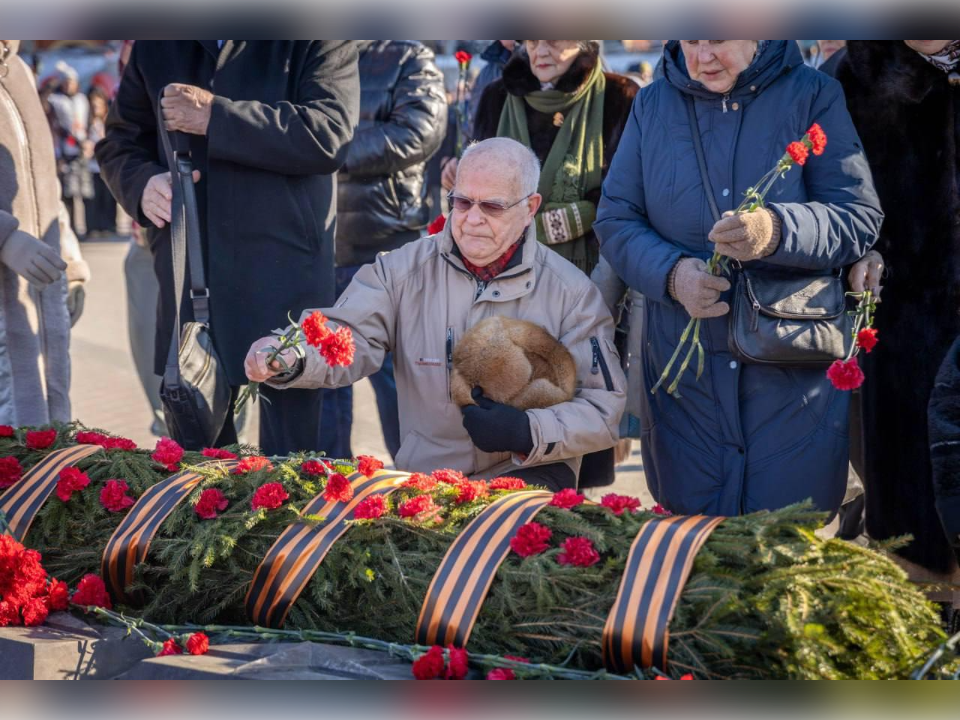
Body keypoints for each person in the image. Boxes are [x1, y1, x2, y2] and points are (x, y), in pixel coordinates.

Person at [595, 40, 882, 517]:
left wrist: (777, 230)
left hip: (788, 369)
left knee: (786, 548)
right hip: (684, 370)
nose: (702, 57)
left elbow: (857, 216)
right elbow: (616, 220)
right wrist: (672, 275)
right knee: (692, 548)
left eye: (718, 41)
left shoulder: (813, 94)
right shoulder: (653, 102)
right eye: (691, 41)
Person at [245, 138, 625, 489]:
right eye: (462, 202)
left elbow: (603, 409)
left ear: (530, 208)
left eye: (492, 206)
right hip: (428, 480)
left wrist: (528, 430)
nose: (472, 218)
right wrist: (292, 355)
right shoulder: (401, 270)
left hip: (528, 475)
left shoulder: (572, 293)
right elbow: (349, 334)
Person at [96, 41, 360, 455]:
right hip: (190, 271)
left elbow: (328, 133)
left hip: (283, 273)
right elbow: (119, 142)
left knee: (291, 463)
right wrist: (141, 183)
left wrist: (214, 117)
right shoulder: (157, 42)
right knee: (200, 466)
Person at [835, 41, 960, 579]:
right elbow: (830, 193)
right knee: (911, 500)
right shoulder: (850, 73)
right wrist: (858, 247)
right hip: (901, 318)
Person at [320, 40, 447, 461]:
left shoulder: (408, 56)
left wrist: (323, 150)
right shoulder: (310, 51)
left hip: (386, 243)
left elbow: (421, 130)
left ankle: (419, 486)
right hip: (319, 243)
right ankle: (327, 486)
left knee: (399, 380)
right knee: (325, 376)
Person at [448, 40, 638, 277]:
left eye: (554, 41)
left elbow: (630, 193)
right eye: (533, 41)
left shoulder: (619, 96)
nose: (541, 52)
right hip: (502, 266)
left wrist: (580, 216)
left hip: (592, 269)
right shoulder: (495, 97)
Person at [0, 40, 89, 426]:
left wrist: (71, 264)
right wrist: (4, 237)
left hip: (40, 291)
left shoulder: (17, 71)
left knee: (45, 434)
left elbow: (44, 183)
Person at [48, 61, 92, 237]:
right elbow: (58, 125)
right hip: (66, 150)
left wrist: (87, 141)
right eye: (65, 82)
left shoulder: (82, 100)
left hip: (83, 151)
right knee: (68, 193)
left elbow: (86, 121)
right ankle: (71, 229)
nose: (69, 85)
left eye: (71, 81)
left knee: (85, 191)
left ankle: (87, 227)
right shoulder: (56, 100)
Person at [84, 87, 116, 236]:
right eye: (93, 105)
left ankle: (109, 227)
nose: (96, 108)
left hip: (108, 166)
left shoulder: (109, 122)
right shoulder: (88, 123)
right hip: (92, 166)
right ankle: (93, 227)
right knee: (93, 199)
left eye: (98, 105)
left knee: (108, 198)